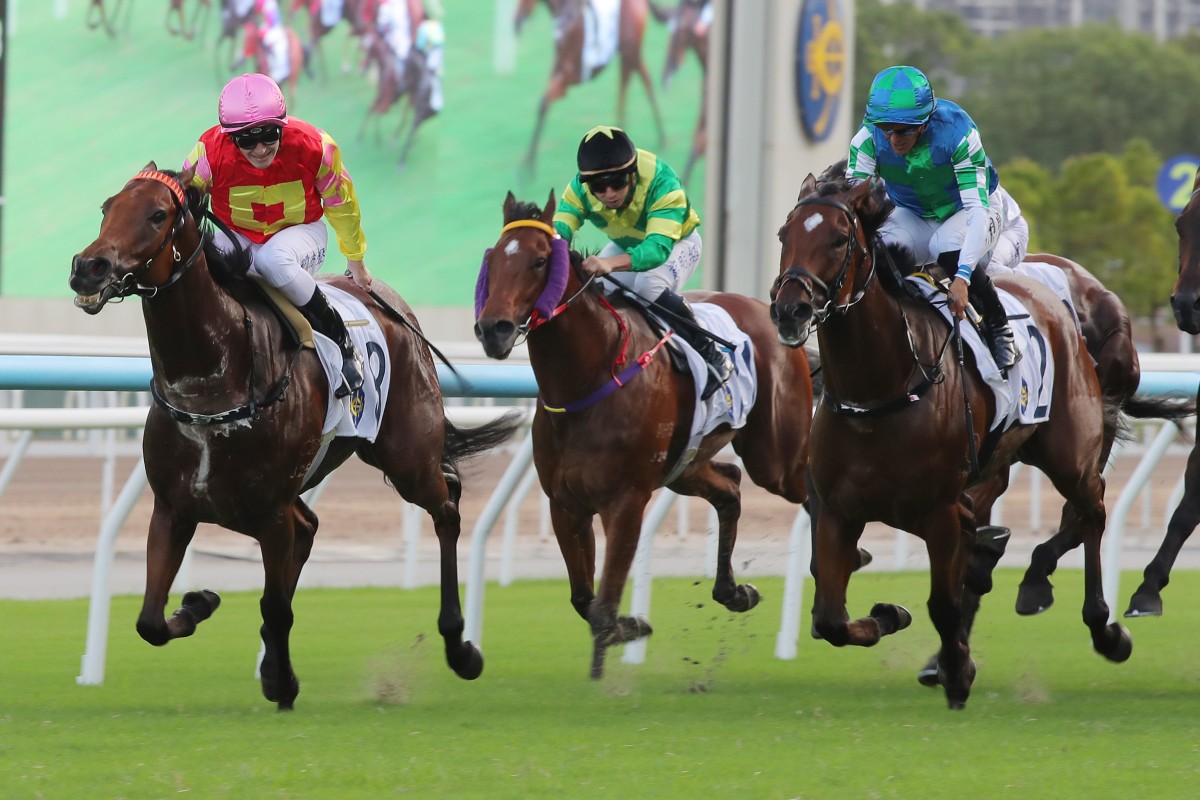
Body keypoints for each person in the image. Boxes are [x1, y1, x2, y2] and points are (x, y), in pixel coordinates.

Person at [182, 72, 372, 398]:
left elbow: (342, 205)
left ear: (282, 125)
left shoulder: (317, 149)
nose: (259, 149)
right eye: (246, 140)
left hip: (301, 232)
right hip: (238, 236)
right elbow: (182, 204)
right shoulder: (208, 155)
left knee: (273, 260)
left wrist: (356, 261)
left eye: (269, 135)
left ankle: (340, 340)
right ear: (229, 138)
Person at [846, 65, 1019, 373]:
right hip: (915, 212)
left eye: (905, 129)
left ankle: (998, 324)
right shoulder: (866, 141)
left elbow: (976, 210)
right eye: (886, 127)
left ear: (925, 123)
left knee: (947, 243)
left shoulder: (958, 134)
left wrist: (963, 278)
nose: (894, 139)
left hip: (972, 208)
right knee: (879, 248)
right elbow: (854, 209)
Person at [552, 125, 733, 399]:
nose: (609, 193)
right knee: (593, 288)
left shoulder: (663, 182)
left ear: (632, 173)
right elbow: (559, 230)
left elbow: (656, 251)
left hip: (676, 243)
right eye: (599, 187)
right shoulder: (579, 188)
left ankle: (712, 354)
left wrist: (610, 264)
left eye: (618, 182)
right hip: (628, 243)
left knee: (648, 285)